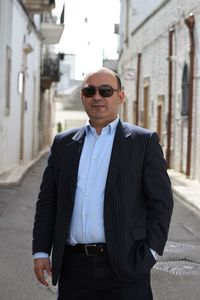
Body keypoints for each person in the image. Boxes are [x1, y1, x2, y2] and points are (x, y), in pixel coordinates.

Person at [32, 67, 173, 300]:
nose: (97, 96)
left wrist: (150, 252)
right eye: (89, 91)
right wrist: (40, 251)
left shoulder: (143, 142)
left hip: (126, 264)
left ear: (120, 96)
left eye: (105, 90)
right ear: (82, 97)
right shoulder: (63, 144)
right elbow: (48, 202)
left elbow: (161, 202)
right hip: (73, 268)